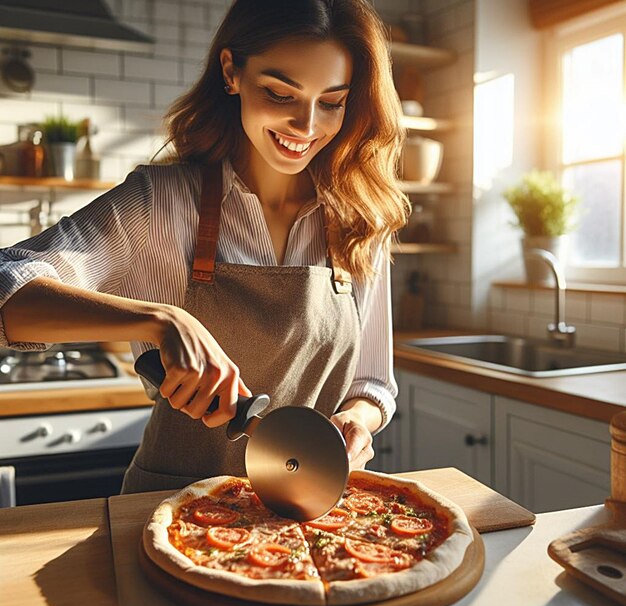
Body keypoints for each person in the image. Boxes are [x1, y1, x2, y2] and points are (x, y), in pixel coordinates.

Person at [0, 0, 409, 493]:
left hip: (313, 508)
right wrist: (160, 320)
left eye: (331, 102)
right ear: (231, 72)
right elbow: (8, 286)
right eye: (280, 93)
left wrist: (359, 421)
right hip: (169, 505)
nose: (306, 127)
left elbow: (373, 384)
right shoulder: (161, 203)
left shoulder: (360, 219)